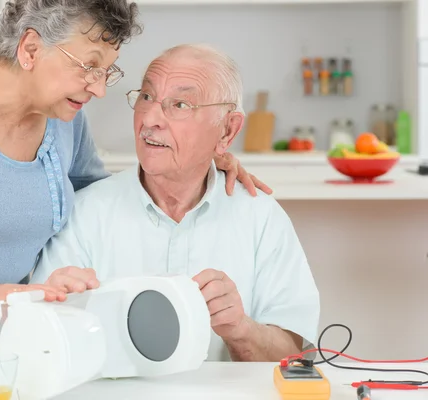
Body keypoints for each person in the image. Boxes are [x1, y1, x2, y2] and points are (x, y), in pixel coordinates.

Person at [0, 1, 270, 359]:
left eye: (108, 70)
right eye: (90, 66)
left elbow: (101, 197)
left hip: (3, 342)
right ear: (30, 49)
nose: (99, 88)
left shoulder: (63, 115)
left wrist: (199, 166)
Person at [31, 43, 320, 362]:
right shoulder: (85, 214)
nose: (151, 118)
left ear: (227, 130)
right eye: (146, 96)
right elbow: (38, 347)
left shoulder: (261, 217)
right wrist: (60, 317)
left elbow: (297, 359)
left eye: (180, 104)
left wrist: (240, 329)